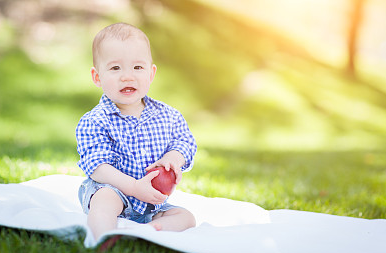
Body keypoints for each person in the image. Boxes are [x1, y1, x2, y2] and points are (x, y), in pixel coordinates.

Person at [76, 22, 197, 241]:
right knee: (104, 200)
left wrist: (173, 158)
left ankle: (148, 232)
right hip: (114, 190)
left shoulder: (168, 116)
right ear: (97, 77)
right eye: (115, 68)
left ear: (151, 74)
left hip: (150, 202)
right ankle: (103, 238)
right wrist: (132, 187)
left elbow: (185, 142)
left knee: (186, 217)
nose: (127, 76)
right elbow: (98, 167)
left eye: (137, 68)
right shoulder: (95, 121)